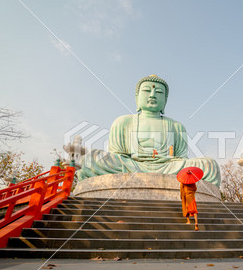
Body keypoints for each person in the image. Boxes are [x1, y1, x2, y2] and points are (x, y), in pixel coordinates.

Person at [77, 75, 221, 187]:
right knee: (92, 159)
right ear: (137, 97)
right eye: (147, 90)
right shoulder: (123, 122)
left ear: (165, 100)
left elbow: (181, 158)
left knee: (209, 165)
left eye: (158, 92)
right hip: (131, 165)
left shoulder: (176, 126)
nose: (152, 95)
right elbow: (118, 155)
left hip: (168, 167)